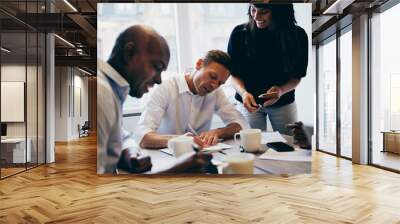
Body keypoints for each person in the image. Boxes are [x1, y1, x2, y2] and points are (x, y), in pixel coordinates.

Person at [97, 25, 212, 174]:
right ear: (129, 53)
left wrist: (129, 152)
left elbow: (122, 134)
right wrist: (174, 172)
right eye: (157, 67)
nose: (158, 80)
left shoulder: (112, 90)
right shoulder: (102, 93)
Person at [134, 50, 246, 149]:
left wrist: (218, 132)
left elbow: (240, 123)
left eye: (220, 83)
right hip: (166, 156)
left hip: (201, 156)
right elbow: (141, 135)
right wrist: (177, 141)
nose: (214, 85)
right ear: (199, 64)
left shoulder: (216, 92)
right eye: (212, 76)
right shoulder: (166, 87)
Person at [227, 3, 308, 135]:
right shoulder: (239, 33)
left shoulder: (298, 36)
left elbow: (297, 76)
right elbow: (234, 74)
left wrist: (281, 90)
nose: (256, 16)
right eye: (253, 10)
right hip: (248, 103)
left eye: (263, 12)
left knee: (289, 145)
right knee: (251, 147)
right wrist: (243, 93)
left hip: (283, 103)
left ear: (280, 12)